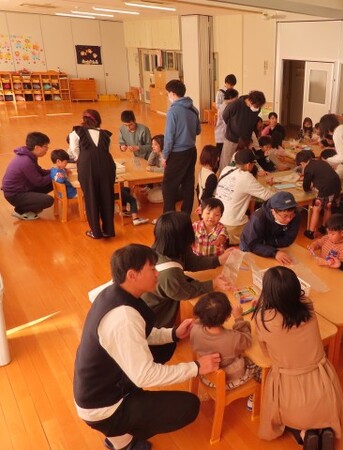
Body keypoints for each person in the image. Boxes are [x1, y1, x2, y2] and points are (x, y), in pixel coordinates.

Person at [73, 244, 221, 450]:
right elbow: (145, 376)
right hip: (104, 408)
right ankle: (121, 440)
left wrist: (173, 334)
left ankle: (121, 426)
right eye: (152, 268)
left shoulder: (115, 292)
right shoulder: (123, 318)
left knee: (167, 346)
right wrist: (196, 367)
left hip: (100, 386)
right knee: (189, 406)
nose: (157, 273)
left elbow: (140, 335)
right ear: (132, 275)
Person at [253, 266, 343, 448]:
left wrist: (261, 308)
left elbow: (267, 354)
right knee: (314, 411)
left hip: (290, 389)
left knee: (282, 414)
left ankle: (304, 433)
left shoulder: (263, 320)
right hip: (323, 383)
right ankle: (321, 429)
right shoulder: (308, 306)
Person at [141, 212, 234, 363]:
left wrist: (218, 260)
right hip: (153, 320)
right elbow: (184, 292)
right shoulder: (169, 273)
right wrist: (213, 283)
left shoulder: (166, 248)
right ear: (183, 237)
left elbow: (191, 262)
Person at [190, 292, 259, 390]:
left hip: (202, 373)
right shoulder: (232, 339)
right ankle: (253, 395)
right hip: (226, 381)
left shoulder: (195, 328)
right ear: (227, 317)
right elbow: (247, 340)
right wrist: (239, 318)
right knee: (260, 364)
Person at [69, 109, 116, 239]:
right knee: (107, 196)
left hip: (87, 166)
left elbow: (74, 151)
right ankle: (108, 230)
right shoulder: (106, 134)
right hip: (106, 166)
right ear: (98, 120)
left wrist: (82, 159)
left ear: (83, 119)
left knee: (91, 196)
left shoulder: (76, 132)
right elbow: (108, 150)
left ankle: (95, 231)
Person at [215, 149, 274, 244]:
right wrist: (274, 189)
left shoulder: (226, 169)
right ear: (248, 165)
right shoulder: (246, 177)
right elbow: (268, 196)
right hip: (233, 225)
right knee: (263, 229)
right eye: (253, 163)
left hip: (218, 220)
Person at [162, 79, 201, 214]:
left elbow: (169, 137)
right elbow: (198, 131)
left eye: (168, 93)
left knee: (168, 185)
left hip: (177, 153)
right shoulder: (193, 109)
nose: (168, 96)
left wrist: (165, 156)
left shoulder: (173, 111)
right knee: (188, 183)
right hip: (191, 150)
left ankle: (169, 215)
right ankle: (185, 214)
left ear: (172, 93)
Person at [2, 132, 54, 220]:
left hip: (24, 188)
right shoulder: (26, 161)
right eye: (45, 146)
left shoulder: (29, 155)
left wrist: (55, 171)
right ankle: (20, 211)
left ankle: (30, 203)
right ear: (37, 147)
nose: (47, 149)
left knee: (54, 181)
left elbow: (40, 172)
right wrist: (55, 174)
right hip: (15, 195)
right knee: (48, 200)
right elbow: (39, 182)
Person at [239, 191, 301, 265]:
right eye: (285, 216)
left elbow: (288, 239)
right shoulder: (258, 218)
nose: (289, 219)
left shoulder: (295, 215)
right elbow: (252, 244)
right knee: (254, 266)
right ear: (273, 211)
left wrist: (269, 247)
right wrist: (274, 252)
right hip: (250, 244)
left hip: (273, 245)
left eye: (291, 215)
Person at [296, 149, 341, 239]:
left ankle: (311, 232)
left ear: (302, 163)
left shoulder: (308, 168)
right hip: (336, 186)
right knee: (328, 207)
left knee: (316, 209)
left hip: (325, 189)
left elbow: (306, 185)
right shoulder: (320, 162)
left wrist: (308, 189)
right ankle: (324, 228)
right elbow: (322, 176)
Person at [219, 90, 266, 173]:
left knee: (244, 161)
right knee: (226, 160)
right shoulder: (235, 104)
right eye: (256, 106)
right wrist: (232, 126)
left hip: (246, 140)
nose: (257, 108)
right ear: (250, 101)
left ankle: (241, 178)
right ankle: (223, 177)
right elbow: (225, 116)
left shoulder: (256, 108)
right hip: (232, 137)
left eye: (259, 106)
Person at [215, 88, 239, 157]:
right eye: (236, 98)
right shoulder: (224, 107)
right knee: (222, 157)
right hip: (222, 136)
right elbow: (227, 122)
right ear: (231, 97)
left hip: (222, 135)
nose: (237, 100)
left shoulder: (226, 106)